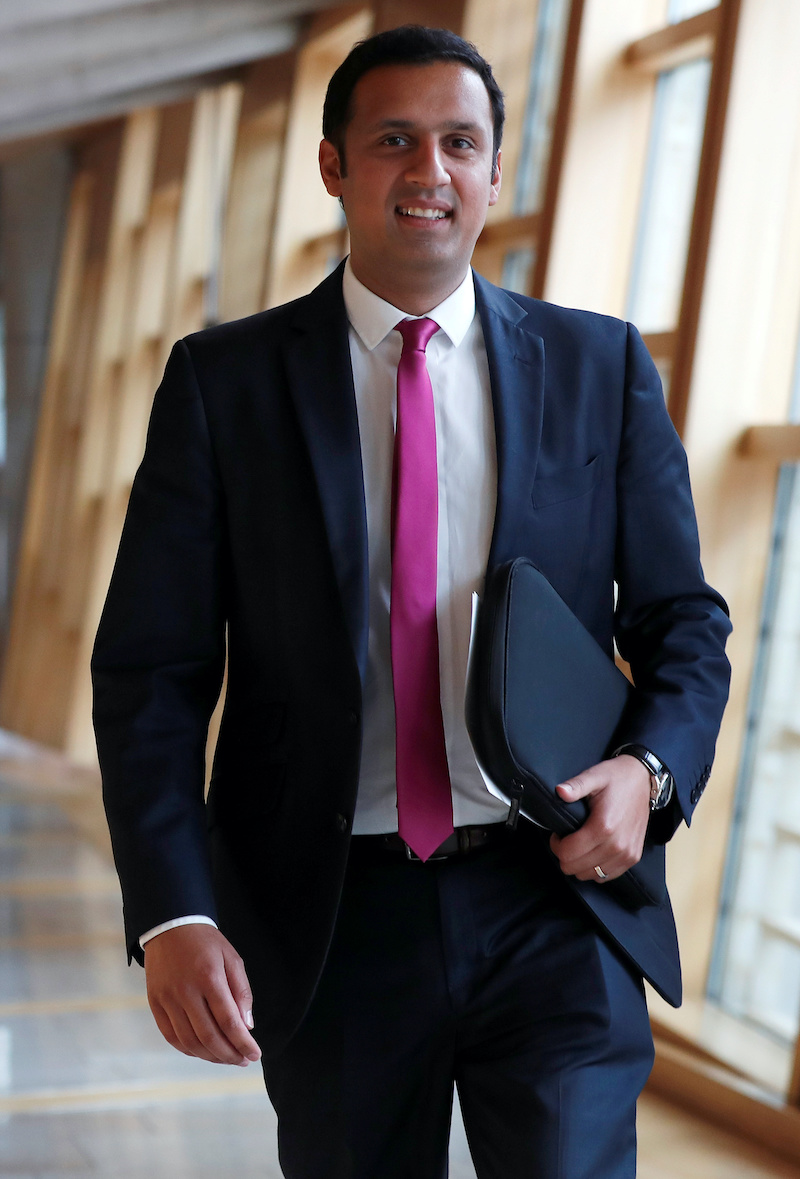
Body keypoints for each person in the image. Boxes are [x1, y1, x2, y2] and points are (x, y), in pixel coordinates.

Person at [92, 24, 732, 1179]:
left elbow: (683, 622)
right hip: (334, 913)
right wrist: (173, 913)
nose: (427, 171)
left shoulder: (601, 370)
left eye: (457, 143)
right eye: (393, 141)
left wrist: (649, 774)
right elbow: (151, 673)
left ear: (495, 172)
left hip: (552, 895)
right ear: (334, 165)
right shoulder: (222, 384)